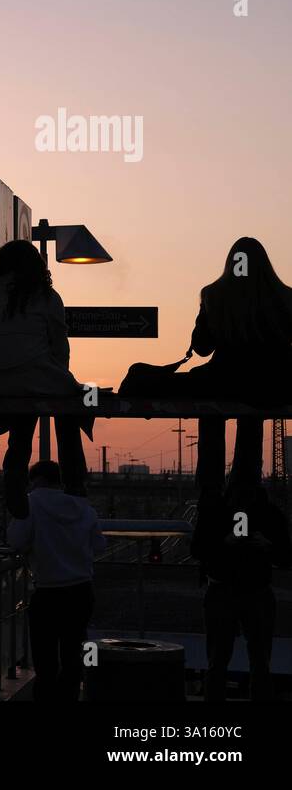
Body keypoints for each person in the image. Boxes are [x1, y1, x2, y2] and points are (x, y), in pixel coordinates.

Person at [0, 240, 92, 519]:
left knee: (21, 431)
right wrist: (60, 377)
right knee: (73, 404)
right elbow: (60, 347)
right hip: (35, 379)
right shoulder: (47, 298)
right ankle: (74, 485)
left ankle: (14, 494)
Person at [185, 238, 292, 496]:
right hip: (270, 384)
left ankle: (210, 492)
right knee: (252, 418)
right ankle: (245, 489)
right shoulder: (286, 297)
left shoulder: (213, 294)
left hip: (223, 381)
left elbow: (202, 348)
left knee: (211, 417)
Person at [6, 459, 106, 701]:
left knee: (45, 662)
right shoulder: (83, 506)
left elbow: (16, 541)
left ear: (35, 479)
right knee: (73, 657)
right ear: (58, 480)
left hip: (49, 593)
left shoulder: (31, 504)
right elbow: (99, 545)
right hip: (81, 591)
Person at [190, 472, 292, 700]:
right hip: (257, 591)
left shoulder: (215, 511)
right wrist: (268, 546)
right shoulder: (270, 514)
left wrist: (223, 544)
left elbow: (197, 550)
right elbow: (286, 558)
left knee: (217, 661)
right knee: (260, 660)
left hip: (222, 589)